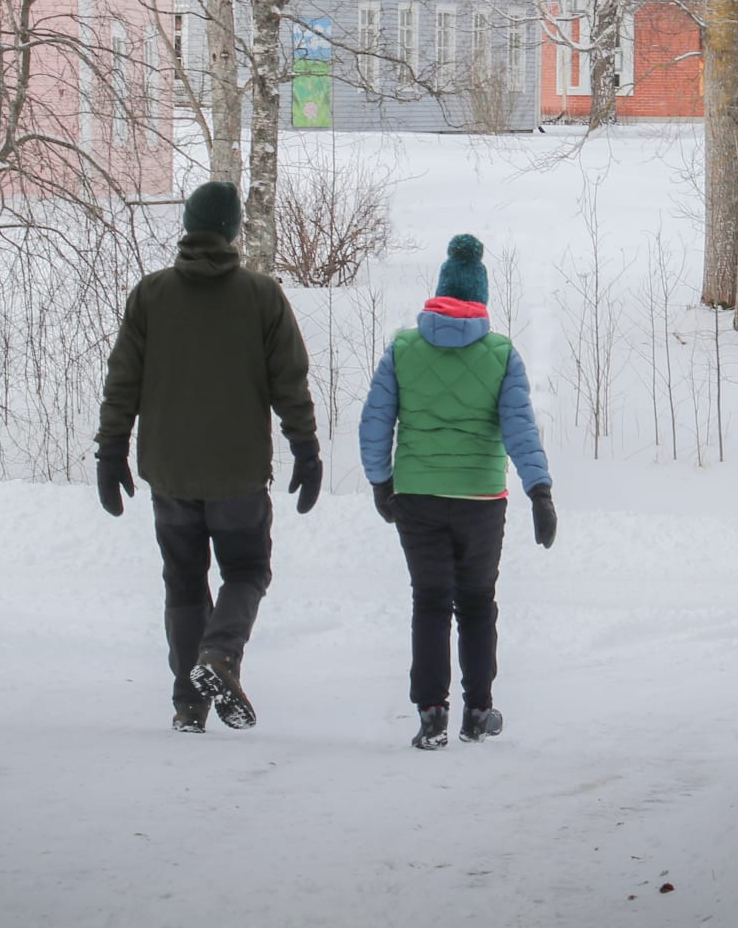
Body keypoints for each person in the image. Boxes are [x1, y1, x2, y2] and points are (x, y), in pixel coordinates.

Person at [96, 181, 322, 733]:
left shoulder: (151, 295)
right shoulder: (262, 296)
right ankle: (219, 654)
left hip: (169, 472)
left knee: (183, 579)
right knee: (246, 570)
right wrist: (305, 448)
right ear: (233, 231)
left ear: (188, 227)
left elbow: (122, 381)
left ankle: (187, 705)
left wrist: (111, 450)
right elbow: (289, 382)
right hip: (238, 473)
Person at [359, 233, 556, 750]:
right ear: (481, 300)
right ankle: (478, 711)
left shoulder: (403, 348)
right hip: (480, 502)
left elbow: (375, 421)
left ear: (439, 294)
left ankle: (430, 714)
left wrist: (381, 481)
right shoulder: (501, 354)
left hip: (418, 497)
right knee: (475, 603)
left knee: (429, 600)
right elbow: (520, 426)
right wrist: (539, 490)